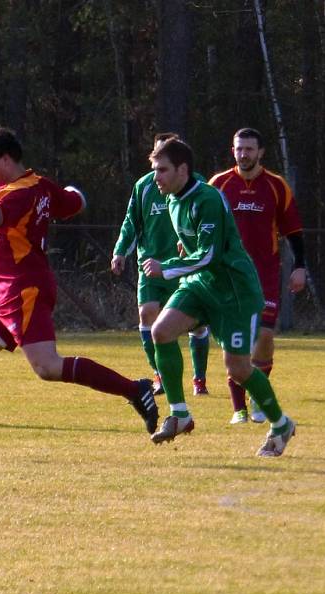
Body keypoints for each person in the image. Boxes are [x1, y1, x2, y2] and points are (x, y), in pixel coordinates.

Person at [0, 124, 159, 456]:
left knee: (47, 367)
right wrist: (73, 192)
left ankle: (136, 389)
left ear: (4, 159)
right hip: (10, 296)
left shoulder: (19, 192)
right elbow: (74, 203)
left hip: (24, 291)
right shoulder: (38, 185)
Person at [142, 138, 295, 457]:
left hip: (234, 292)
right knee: (161, 331)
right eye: (155, 170)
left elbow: (209, 254)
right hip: (200, 285)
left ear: (182, 170)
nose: (156, 177)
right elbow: (195, 248)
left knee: (238, 369)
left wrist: (166, 267)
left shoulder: (208, 198)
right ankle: (180, 414)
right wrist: (182, 260)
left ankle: (280, 424)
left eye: (162, 170)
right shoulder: (172, 200)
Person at [209, 128, 306, 425]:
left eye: (249, 149)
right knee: (234, 341)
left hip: (264, 275)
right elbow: (202, 221)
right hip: (227, 276)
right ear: (233, 150)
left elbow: (293, 231)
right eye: (239, 148)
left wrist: (300, 266)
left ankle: (257, 396)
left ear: (260, 152)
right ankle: (239, 409)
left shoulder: (276, 186)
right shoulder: (219, 185)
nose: (244, 154)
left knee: (264, 337)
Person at [111, 132, 211, 397]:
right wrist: (120, 251)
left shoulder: (198, 185)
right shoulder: (144, 186)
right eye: (156, 160)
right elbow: (131, 222)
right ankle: (161, 375)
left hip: (183, 265)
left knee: (197, 323)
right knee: (147, 315)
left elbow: (210, 224)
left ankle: (199, 379)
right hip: (150, 265)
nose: (158, 169)